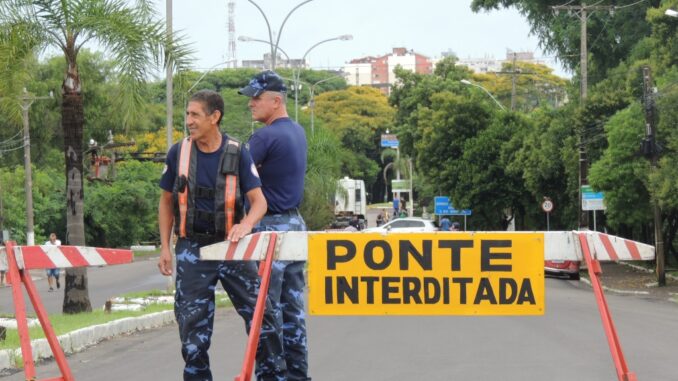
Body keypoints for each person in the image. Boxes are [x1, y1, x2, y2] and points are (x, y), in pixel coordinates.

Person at [157, 90, 286, 381]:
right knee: (192, 331)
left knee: (263, 318)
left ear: (214, 117)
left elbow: (260, 202)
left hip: (232, 248)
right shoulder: (179, 152)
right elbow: (166, 202)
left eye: (195, 115)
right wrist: (165, 247)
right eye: (187, 114)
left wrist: (247, 224)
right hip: (192, 251)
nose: (189, 120)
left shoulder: (238, 152)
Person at [239, 70, 311, 381]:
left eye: (256, 98)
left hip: (269, 229)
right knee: (293, 307)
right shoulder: (297, 131)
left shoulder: (264, 137)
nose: (251, 104)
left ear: (276, 100)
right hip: (295, 225)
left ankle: (273, 376)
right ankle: (298, 374)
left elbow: (236, 178)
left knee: (267, 309)